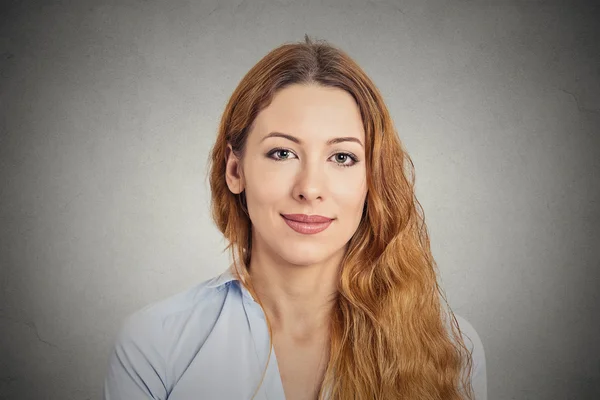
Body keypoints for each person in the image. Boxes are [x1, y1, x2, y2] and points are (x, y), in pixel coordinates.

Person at [103, 35, 487, 400]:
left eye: (342, 157)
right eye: (282, 153)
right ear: (235, 171)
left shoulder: (451, 347)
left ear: (373, 179)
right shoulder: (154, 342)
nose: (310, 188)